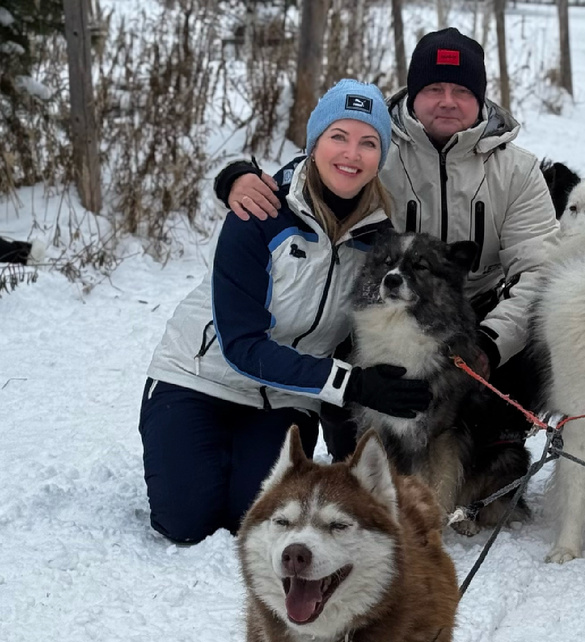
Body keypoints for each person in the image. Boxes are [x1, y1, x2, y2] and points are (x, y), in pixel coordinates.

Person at [216, 28, 559, 466]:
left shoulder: (517, 170)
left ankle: (487, 461)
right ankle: (362, 447)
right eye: (433, 88)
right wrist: (239, 176)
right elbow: (314, 171)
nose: (447, 101)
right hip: (387, 315)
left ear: (481, 99)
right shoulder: (378, 148)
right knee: (364, 434)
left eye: (461, 90)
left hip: (483, 322)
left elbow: (539, 269)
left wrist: (490, 344)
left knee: (519, 367)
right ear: (413, 94)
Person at [140, 79, 432, 544]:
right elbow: (241, 345)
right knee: (185, 522)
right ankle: (188, 448)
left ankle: (235, 457)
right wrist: (350, 384)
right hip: (199, 378)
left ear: (382, 158)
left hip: (285, 399)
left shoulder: (380, 242)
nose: (351, 154)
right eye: (338, 136)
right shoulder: (259, 210)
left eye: (368, 143)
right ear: (315, 142)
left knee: (252, 522)